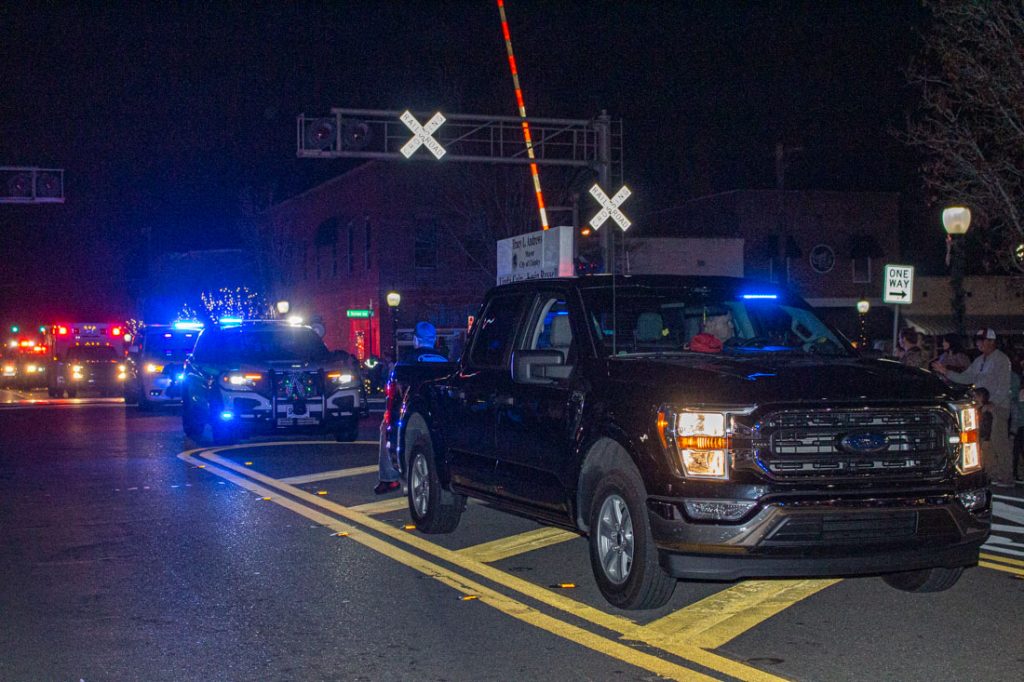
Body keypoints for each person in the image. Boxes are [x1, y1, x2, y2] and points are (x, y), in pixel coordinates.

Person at [933, 328, 1014, 486]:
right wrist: (945, 372)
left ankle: (1006, 476)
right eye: (978, 340)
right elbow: (966, 377)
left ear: (991, 341)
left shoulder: (1001, 360)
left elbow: (1004, 386)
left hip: (997, 407)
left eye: (982, 340)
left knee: (999, 442)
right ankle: (994, 473)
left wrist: (993, 403)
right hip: (983, 406)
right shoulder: (980, 360)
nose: (979, 343)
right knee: (985, 443)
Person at [374, 321, 447, 494]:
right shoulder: (444, 361)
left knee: (385, 430)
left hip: (407, 414)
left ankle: (389, 479)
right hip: (439, 415)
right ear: (434, 340)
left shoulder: (406, 362)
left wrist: (389, 415)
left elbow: (393, 392)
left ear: (415, 340)